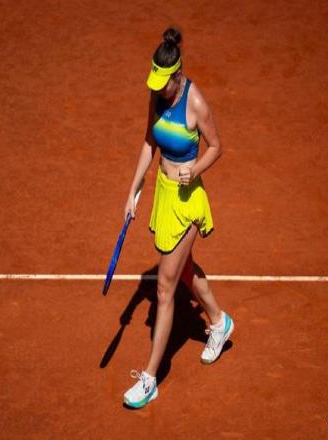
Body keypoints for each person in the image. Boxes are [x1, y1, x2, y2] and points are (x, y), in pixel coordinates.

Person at [123, 27, 234, 409]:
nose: (158, 90)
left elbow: (216, 145)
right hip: (163, 196)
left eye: (163, 83)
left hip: (187, 201)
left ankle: (150, 378)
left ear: (178, 75)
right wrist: (134, 190)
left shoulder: (195, 102)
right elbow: (149, 142)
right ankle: (218, 321)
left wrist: (195, 169)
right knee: (183, 270)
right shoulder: (157, 95)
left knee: (166, 288)